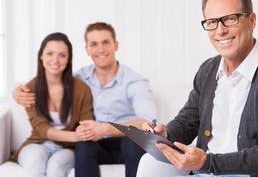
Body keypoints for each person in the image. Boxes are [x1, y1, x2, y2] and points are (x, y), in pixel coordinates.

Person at [142, 0, 258, 176]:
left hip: (243, 173)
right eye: (212, 22)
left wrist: (207, 162)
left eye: (230, 19)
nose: (220, 30)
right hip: (202, 172)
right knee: (149, 164)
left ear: (252, 20)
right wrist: (165, 134)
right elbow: (187, 122)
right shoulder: (208, 70)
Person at [13, 22, 156, 177]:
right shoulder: (79, 79)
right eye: (94, 44)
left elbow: (148, 122)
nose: (100, 49)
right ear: (87, 49)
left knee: (132, 142)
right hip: (93, 144)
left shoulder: (134, 81)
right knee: (84, 144)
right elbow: (52, 77)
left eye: (105, 42)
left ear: (116, 45)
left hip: (125, 144)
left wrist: (105, 129)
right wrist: (16, 92)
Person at [11, 32, 94, 177]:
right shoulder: (30, 89)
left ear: (68, 59)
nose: (55, 60)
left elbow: (87, 123)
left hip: (67, 149)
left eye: (62, 55)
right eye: (50, 53)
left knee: (56, 167)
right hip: (37, 144)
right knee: (36, 162)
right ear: (41, 55)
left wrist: (84, 132)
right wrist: (76, 136)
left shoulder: (82, 89)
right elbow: (42, 129)